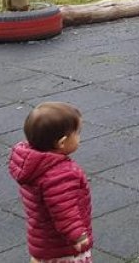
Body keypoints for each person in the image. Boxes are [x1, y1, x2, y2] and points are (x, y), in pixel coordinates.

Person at [9, 102, 92, 263]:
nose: (79, 137)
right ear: (61, 143)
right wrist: (77, 235)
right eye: (77, 133)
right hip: (62, 247)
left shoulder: (34, 165)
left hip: (42, 241)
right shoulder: (59, 174)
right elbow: (64, 208)